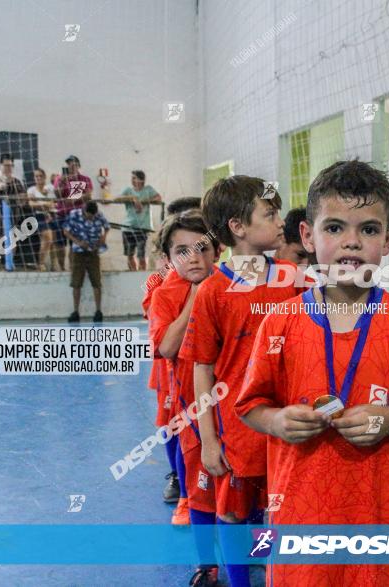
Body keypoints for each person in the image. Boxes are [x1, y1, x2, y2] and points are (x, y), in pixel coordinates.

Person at [235, 160, 389, 586]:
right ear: (307, 235)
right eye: (335, 228)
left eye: (370, 230)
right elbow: (249, 406)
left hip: (383, 530)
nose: (352, 243)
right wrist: (278, 420)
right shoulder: (280, 323)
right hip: (301, 526)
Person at [179, 175, 302, 587]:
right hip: (237, 432)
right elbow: (202, 369)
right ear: (238, 227)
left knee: (276, 509)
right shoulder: (213, 291)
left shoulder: (292, 280)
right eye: (269, 213)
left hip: (286, 427)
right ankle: (239, 581)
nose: (280, 220)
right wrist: (209, 439)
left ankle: (269, 574)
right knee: (232, 512)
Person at [149, 210, 222, 582]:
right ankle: (206, 563)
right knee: (201, 490)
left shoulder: (233, 288)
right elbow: (166, 347)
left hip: (238, 409)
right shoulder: (165, 295)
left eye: (202, 248)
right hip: (193, 411)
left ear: (216, 251)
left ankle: (256, 556)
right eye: (182, 251)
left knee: (251, 489)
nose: (194, 257)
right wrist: (196, 296)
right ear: (168, 259)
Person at [141, 196, 203, 508]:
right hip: (170, 371)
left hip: (204, 372)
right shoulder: (160, 284)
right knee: (172, 421)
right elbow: (164, 343)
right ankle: (179, 479)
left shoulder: (218, 279)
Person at [105, 170, 162, 271]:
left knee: (141, 255)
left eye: (134, 178)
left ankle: (141, 274)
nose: (132, 180)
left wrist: (143, 202)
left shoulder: (148, 189)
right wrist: (133, 198)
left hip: (142, 227)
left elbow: (158, 198)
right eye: (132, 178)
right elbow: (116, 199)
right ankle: (133, 272)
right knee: (130, 254)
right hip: (128, 227)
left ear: (141, 180)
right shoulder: (128, 190)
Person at [62, 200, 108, 323]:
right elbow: (66, 231)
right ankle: (76, 311)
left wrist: (103, 237)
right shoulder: (74, 215)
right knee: (76, 283)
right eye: (89, 216)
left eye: (93, 216)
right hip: (78, 252)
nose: (91, 218)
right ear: (84, 210)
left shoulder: (99, 215)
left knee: (96, 281)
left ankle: (98, 311)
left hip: (93, 250)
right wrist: (78, 242)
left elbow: (107, 227)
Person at [53, 155, 93, 270]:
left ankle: (72, 268)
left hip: (76, 215)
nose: (72, 166)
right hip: (61, 214)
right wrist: (62, 182)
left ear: (78, 166)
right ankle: (61, 268)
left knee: (73, 244)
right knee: (60, 244)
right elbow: (57, 195)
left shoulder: (83, 179)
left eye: (74, 164)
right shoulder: (59, 178)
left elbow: (88, 195)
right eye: (69, 164)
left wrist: (75, 199)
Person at [26, 168, 58, 271]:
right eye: (36, 176)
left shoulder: (50, 188)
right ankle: (41, 263)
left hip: (52, 215)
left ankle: (54, 265)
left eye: (40, 176)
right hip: (39, 216)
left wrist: (40, 203)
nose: (38, 178)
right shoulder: (31, 190)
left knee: (54, 241)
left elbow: (53, 203)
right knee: (47, 237)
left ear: (45, 177)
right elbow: (31, 204)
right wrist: (44, 204)